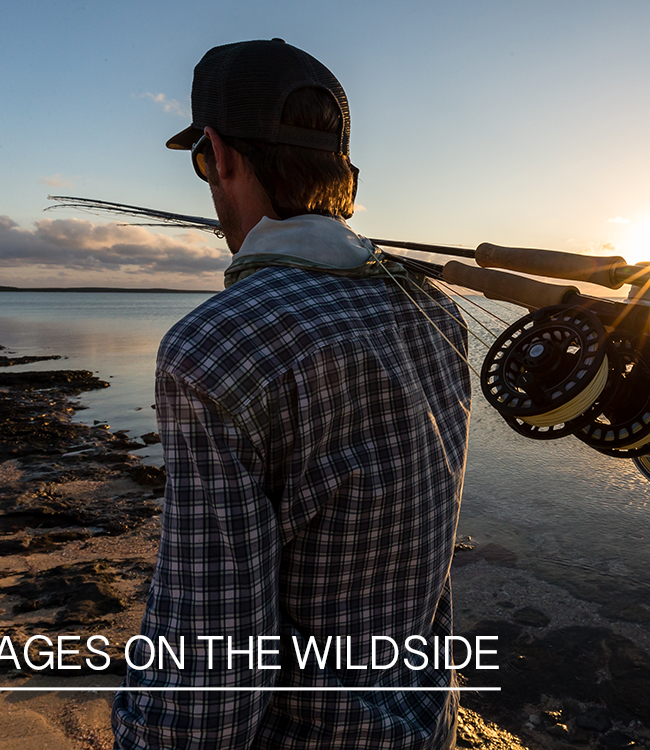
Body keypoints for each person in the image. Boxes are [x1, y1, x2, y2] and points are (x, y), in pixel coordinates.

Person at [111, 39, 472, 749]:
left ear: (217, 153)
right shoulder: (436, 308)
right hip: (425, 728)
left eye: (200, 163)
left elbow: (210, 659)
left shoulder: (214, 346)